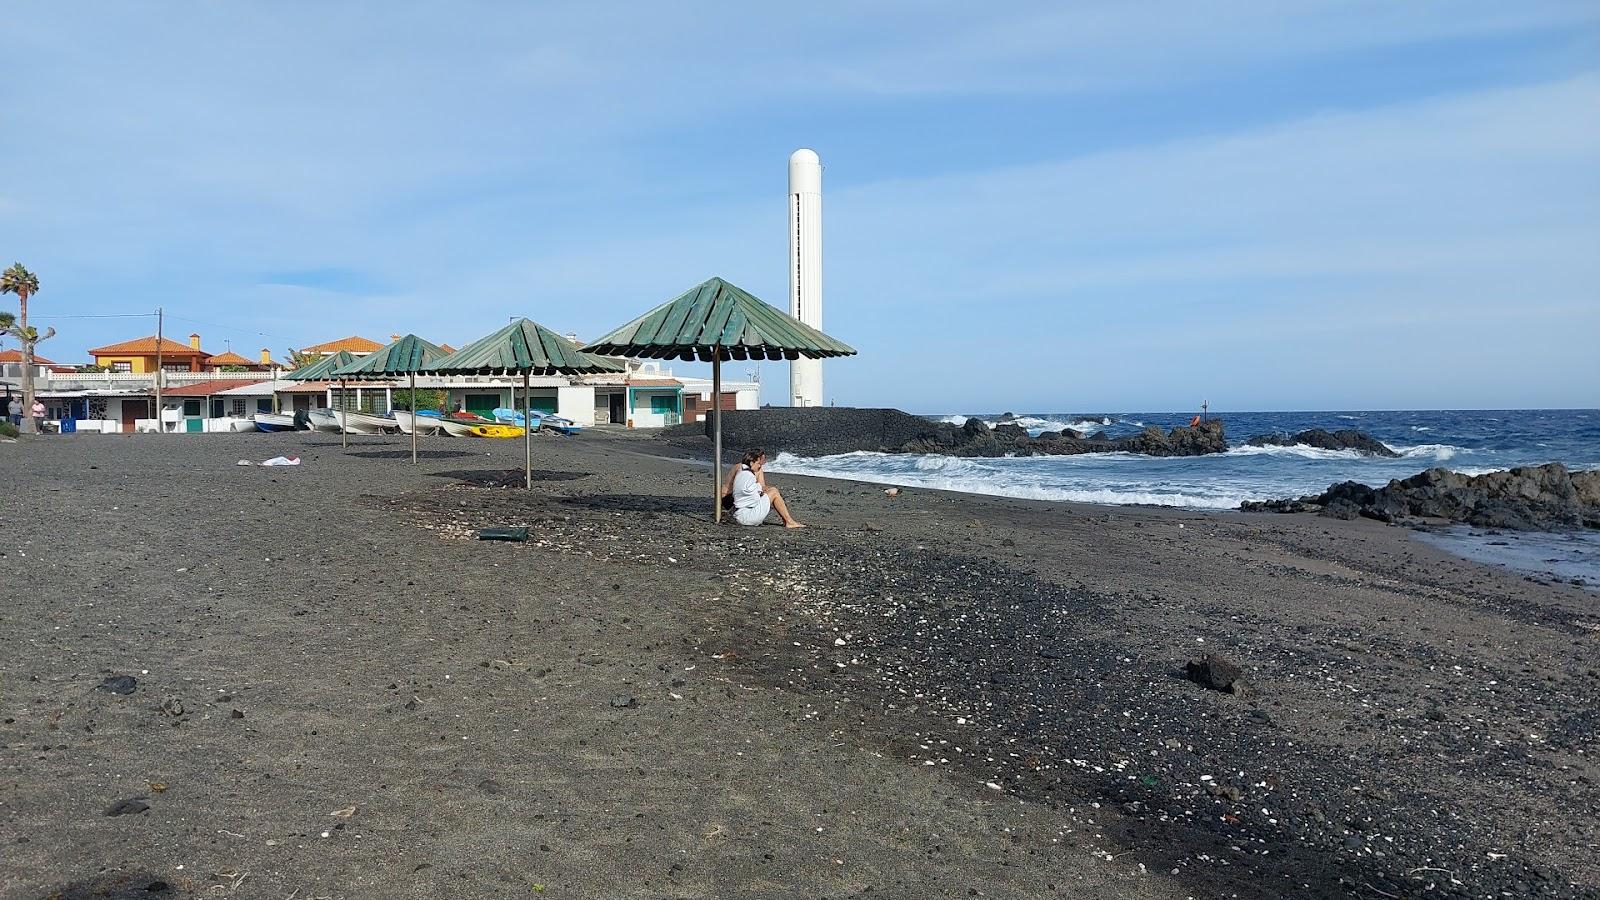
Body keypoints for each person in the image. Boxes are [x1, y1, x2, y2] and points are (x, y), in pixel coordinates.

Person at [722, 448, 805, 528]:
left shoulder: (743, 471)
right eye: (760, 461)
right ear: (752, 462)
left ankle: (787, 520)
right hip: (734, 505)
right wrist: (762, 493)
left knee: (772, 492)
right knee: (774, 492)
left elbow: (757, 487)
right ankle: (789, 522)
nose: (762, 463)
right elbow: (754, 492)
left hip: (737, 511)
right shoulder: (746, 473)